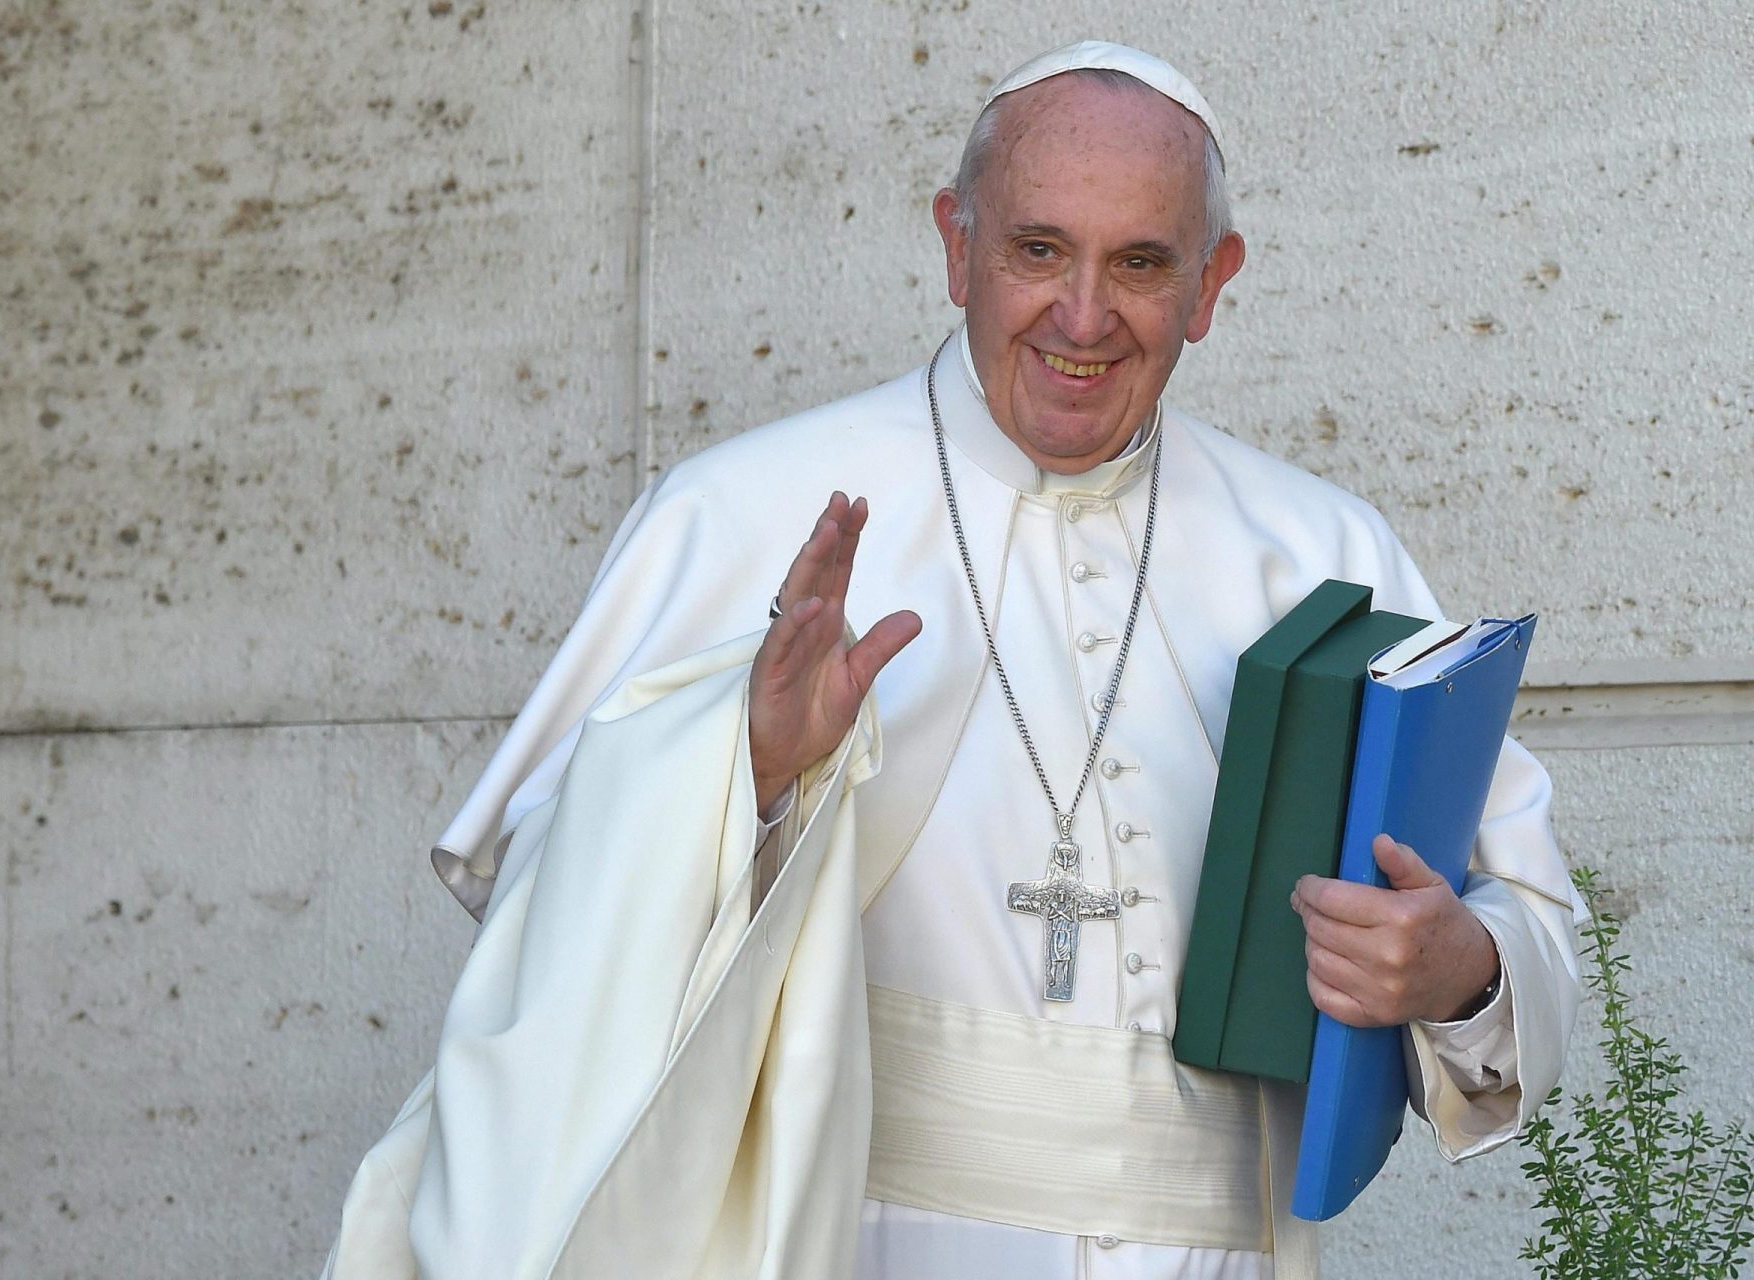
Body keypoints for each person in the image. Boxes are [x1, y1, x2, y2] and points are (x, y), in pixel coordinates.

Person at [322, 40, 1583, 1280]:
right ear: (956, 244)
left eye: (1141, 263)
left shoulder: (1320, 553)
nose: (1082, 317)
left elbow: (1519, 916)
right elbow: (543, 938)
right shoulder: (742, 510)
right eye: (1038, 249)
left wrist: (1457, 966)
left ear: (1212, 284)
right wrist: (742, 767)